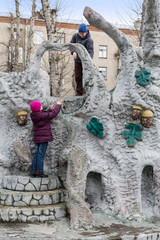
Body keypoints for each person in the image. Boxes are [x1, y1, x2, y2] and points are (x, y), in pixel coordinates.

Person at [30, 99, 63, 178]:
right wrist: (58, 105)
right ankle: (39, 172)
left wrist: (50, 109)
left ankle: (34, 171)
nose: (42, 106)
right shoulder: (42, 116)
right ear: (38, 108)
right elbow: (53, 114)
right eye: (40, 106)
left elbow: (46, 115)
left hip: (37, 139)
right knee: (41, 155)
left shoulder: (34, 115)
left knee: (37, 154)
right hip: (43, 138)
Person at [70, 23, 94, 96]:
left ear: (86, 32)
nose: (81, 35)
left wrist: (87, 60)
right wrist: (73, 51)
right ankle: (79, 92)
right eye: (80, 33)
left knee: (87, 77)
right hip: (77, 60)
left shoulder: (89, 40)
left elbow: (91, 51)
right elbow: (71, 45)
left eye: (83, 33)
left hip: (86, 62)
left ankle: (88, 92)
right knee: (78, 76)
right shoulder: (75, 36)